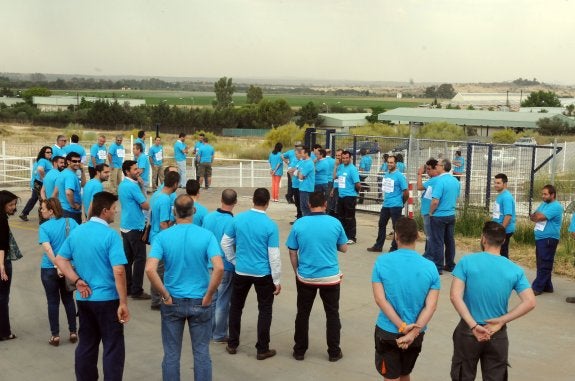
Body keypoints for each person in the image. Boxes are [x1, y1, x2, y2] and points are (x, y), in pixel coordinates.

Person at [145, 195, 224, 381]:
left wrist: (164, 294)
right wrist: (209, 294)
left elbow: (150, 269)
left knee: (171, 354)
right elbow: (219, 267)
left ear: (174, 212)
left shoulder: (163, 237)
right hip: (200, 300)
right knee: (202, 353)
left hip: (173, 301)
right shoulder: (206, 235)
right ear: (193, 211)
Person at [55, 191, 130, 381]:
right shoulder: (111, 236)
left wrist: (77, 280)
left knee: (87, 344)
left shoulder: (78, 231)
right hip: (108, 300)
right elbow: (119, 271)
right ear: (105, 211)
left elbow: (60, 259)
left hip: (85, 298)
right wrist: (123, 302)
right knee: (113, 347)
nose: (116, 212)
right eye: (114, 209)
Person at [450, 221, 536, 381]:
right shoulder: (515, 269)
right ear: (503, 241)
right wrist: (501, 321)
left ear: (483, 238)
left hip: (469, 330)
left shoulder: (467, 262)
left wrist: (474, 325)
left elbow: (455, 296)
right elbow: (530, 302)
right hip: (496, 332)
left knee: (463, 374)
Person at [372, 217, 440, 381]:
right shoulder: (430, 267)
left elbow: (381, 300)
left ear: (396, 236)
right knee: (405, 373)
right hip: (416, 334)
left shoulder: (382, 262)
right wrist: (413, 332)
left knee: (390, 376)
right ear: (417, 236)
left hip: (388, 331)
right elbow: (430, 307)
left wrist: (402, 327)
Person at [286, 191, 348, 362]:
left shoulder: (299, 224)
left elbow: (292, 251)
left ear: (308, 204)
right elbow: (344, 248)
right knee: (332, 314)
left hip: (306, 277)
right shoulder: (335, 223)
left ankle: (299, 350)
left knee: (303, 313)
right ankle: (334, 352)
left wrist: (296, 271)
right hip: (330, 277)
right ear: (325, 204)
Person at [221, 188, 281, 360]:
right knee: (265, 310)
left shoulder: (238, 219)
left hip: (241, 270)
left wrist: (234, 260)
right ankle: (262, 349)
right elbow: (274, 255)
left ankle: (232, 343)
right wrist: (276, 279)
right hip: (262, 274)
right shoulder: (270, 225)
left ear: (252, 200)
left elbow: (225, 243)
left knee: (236, 307)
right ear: (267, 203)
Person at [38, 198, 78, 347]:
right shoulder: (71, 223)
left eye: (43, 208)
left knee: (52, 302)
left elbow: (48, 249)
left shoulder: (44, 227)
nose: (41, 211)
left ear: (51, 211)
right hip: (68, 267)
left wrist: (57, 265)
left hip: (49, 268)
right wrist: (63, 266)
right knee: (68, 299)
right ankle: (73, 331)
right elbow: (76, 243)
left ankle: (55, 335)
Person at [202, 189, 238, 343]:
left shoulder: (208, 217)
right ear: (235, 202)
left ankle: (208, 331)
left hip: (209, 264)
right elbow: (234, 245)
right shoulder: (233, 222)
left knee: (211, 298)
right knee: (223, 301)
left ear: (221, 199)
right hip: (226, 265)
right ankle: (219, 333)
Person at [118, 160, 151, 300]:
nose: (138, 171)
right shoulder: (132, 186)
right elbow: (145, 205)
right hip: (135, 227)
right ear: (127, 171)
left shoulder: (123, 184)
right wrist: (143, 187)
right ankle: (136, 290)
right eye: (135, 169)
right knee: (140, 259)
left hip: (125, 226)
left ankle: (128, 287)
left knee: (128, 258)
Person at [148, 171, 180, 311]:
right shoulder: (166, 199)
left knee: (159, 269)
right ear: (175, 184)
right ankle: (157, 300)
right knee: (160, 270)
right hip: (160, 238)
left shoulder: (157, 195)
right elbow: (163, 223)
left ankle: (157, 298)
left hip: (155, 235)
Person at [424, 158, 460, 274]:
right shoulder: (455, 181)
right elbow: (456, 197)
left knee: (437, 241)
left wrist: (430, 212)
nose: (436, 167)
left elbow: (435, 201)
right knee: (449, 240)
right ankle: (450, 264)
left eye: (438, 165)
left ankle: (438, 266)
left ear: (443, 167)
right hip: (451, 214)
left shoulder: (440, 181)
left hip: (439, 215)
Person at [367, 155, 408, 253]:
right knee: (381, 224)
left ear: (395, 163)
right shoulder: (386, 174)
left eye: (391, 162)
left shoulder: (399, 176)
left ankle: (394, 247)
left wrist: (401, 202)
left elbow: (406, 192)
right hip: (386, 204)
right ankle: (378, 246)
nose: (389, 164)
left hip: (396, 205)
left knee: (396, 227)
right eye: (388, 162)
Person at [529, 184, 563, 295]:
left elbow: (538, 217)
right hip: (540, 238)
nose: (543, 196)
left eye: (545, 194)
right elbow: (532, 216)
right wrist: (536, 216)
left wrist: (537, 216)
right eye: (542, 194)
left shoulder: (556, 206)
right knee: (541, 263)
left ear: (552, 195)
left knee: (545, 263)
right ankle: (547, 286)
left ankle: (537, 287)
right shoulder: (544, 204)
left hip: (549, 239)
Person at [0, 190, 19, 341]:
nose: (13, 207)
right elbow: (2, 245)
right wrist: (1, 266)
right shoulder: (2, 220)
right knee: (3, 297)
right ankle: (5, 332)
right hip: (3, 263)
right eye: (11, 204)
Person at [333, 150, 361, 244]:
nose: (345, 159)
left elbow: (357, 184)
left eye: (346, 158)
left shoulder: (352, 169)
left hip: (350, 197)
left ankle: (352, 237)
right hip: (341, 196)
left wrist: (355, 193)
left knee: (350, 217)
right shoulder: (340, 167)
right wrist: (336, 166)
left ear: (350, 158)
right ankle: (343, 236)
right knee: (341, 217)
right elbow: (334, 177)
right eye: (343, 158)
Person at [20, 146, 52, 222]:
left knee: (34, 198)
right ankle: (43, 218)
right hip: (40, 183)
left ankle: (24, 213)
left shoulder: (44, 161)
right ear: (43, 153)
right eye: (48, 152)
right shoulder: (42, 161)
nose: (50, 153)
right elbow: (40, 169)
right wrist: (45, 178)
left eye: (51, 152)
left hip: (37, 182)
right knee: (43, 201)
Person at [416, 158, 439, 254]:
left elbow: (419, 187)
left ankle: (429, 253)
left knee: (429, 234)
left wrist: (420, 174)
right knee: (429, 234)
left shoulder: (434, 180)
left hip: (428, 211)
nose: (427, 171)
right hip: (427, 210)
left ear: (435, 169)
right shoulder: (433, 180)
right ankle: (428, 252)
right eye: (427, 169)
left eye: (429, 169)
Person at [55, 152, 85, 224]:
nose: (77, 163)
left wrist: (82, 170)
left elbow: (83, 184)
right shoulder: (70, 176)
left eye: (79, 161)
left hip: (64, 209)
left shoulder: (64, 173)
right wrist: (73, 205)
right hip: (70, 211)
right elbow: (68, 192)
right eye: (74, 161)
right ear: (68, 162)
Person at [492, 173, 516, 258]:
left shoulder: (506, 197)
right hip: (498, 228)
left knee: (502, 253)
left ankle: (506, 270)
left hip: (504, 230)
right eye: (495, 183)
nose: (495, 185)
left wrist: (501, 230)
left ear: (505, 184)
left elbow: (508, 215)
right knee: (498, 252)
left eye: (498, 183)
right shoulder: (501, 195)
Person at [297, 146, 315, 217]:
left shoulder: (309, 163)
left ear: (306, 153)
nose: (301, 155)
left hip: (307, 189)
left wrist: (299, 173)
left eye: (302, 153)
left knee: (306, 208)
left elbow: (300, 176)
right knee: (303, 208)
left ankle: (308, 223)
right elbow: (297, 172)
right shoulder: (303, 162)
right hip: (302, 188)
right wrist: (299, 173)